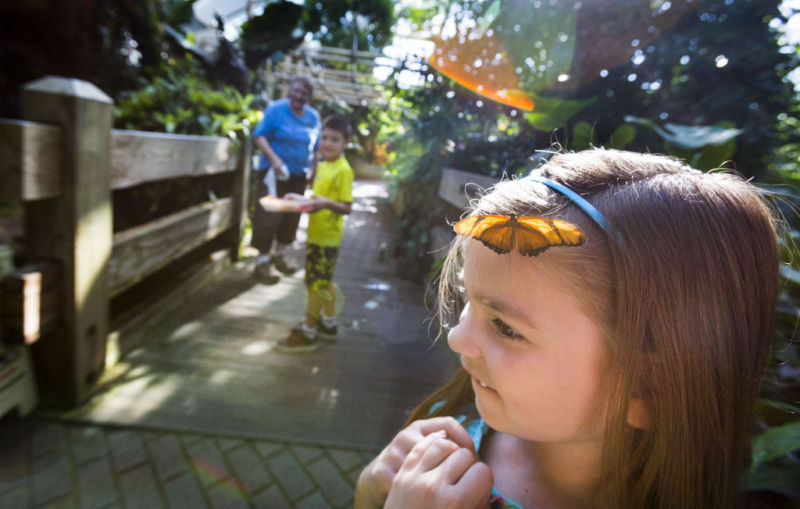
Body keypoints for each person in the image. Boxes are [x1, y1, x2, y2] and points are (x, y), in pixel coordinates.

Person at [355, 149, 780, 508]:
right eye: (468, 299)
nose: (456, 337)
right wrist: (372, 489)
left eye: (505, 327)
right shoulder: (447, 427)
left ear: (649, 388)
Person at [275, 114, 354, 353]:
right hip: (316, 235)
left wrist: (325, 204)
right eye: (325, 138)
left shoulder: (343, 170)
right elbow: (316, 198)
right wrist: (298, 199)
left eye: (335, 139)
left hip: (327, 238)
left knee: (315, 283)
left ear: (346, 143)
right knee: (322, 281)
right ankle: (327, 324)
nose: (328, 143)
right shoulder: (323, 164)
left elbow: (346, 206)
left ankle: (309, 332)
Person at [251, 75, 321, 283]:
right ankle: (262, 262)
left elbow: (316, 148)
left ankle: (279, 255)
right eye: (296, 91)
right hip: (274, 174)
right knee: (268, 215)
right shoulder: (275, 109)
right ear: (291, 90)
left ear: (309, 97)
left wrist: (313, 173)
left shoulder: (313, 116)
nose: (299, 96)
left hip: (299, 176)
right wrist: (274, 160)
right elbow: (259, 136)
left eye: (304, 94)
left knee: (291, 216)